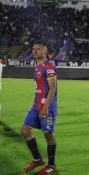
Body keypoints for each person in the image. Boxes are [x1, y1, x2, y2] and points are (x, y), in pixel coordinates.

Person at [20, 42, 58, 174]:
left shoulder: (48, 66)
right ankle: (37, 160)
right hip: (36, 106)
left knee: (48, 134)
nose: (35, 51)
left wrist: (45, 107)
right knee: (25, 131)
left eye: (38, 49)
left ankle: (51, 166)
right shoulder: (37, 67)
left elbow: (53, 88)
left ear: (44, 52)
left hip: (47, 107)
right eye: (33, 49)